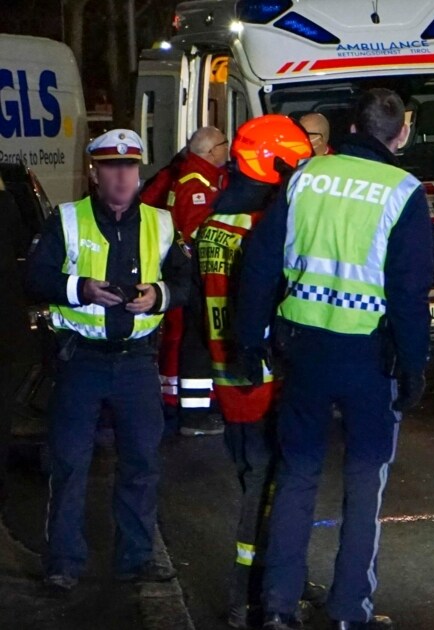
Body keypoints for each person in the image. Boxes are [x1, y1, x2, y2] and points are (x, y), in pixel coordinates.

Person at [235, 89, 434, 630]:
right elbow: (410, 294)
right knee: (364, 482)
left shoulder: (305, 178)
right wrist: (416, 366)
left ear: (350, 126)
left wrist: (249, 340)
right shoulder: (403, 190)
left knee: (297, 475)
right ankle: (350, 610)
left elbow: (259, 264)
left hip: (303, 352)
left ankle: (277, 605)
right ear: (401, 132)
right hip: (369, 356)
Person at [26, 129, 192, 594]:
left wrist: (159, 296)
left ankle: (135, 559)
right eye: (112, 168)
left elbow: (186, 283)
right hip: (81, 361)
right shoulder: (67, 219)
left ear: (139, 172)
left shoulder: (161, 222)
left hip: (137, 363)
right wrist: (82, 289)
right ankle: (62, 563)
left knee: (141, 463)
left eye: (130, 167)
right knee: (70, 463)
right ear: (95, 174)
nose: (122, 177)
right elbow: (35, 277)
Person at [196, 115, 326, 628]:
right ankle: (249, 594)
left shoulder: (216, 223)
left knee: (264, 481)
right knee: (269, 488)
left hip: (230, 375)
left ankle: (286, 575)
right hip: (263, 376)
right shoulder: (260, 225)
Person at [161, 126, 229, 436]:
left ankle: (196, 410)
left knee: (195, 340)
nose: (229, 149)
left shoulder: (200, 177)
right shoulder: (196, 183)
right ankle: (195, 415)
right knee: (197, 342)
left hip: (193, 275)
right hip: (198, 275)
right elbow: (197, 233)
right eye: (224, 144)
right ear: (212, 151)